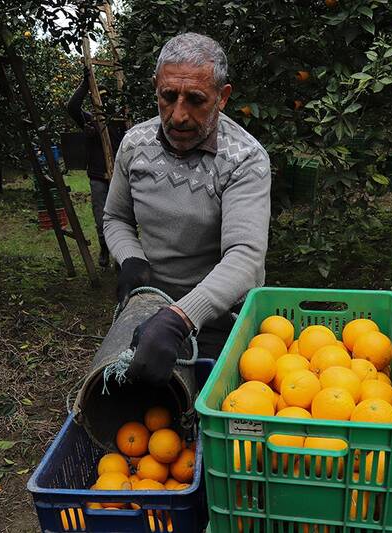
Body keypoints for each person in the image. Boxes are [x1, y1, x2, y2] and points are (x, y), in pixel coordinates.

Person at [103, 32, 271, 386]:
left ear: (222, 97)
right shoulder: (135, 145)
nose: (178, 115)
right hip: (148, 307)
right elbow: (115, 217)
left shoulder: (245, 159)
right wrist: (132, 258)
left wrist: (181, 317)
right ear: (156, 88)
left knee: (207, 415)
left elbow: (245, 257)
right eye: (168, 97)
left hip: (219, 316)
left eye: (196, 100)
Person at [66, 70, 125, 267]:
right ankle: (104, 249)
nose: (103, 104)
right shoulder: (90, 120)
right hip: (98, 177)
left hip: (118, 178)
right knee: (101, 219)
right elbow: (72, 107)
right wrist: (85, 84)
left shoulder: (120, 122)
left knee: (123, 219)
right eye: (100, 99)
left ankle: (121, 254)